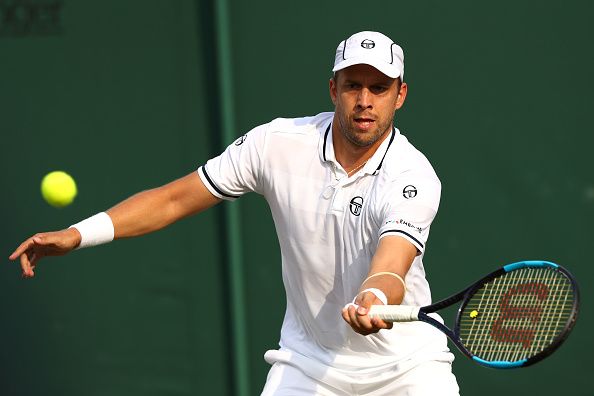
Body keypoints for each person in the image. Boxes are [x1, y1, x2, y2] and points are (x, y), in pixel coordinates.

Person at [10, 31, 459, 395]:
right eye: (353, 86)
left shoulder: (412, 176)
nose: (365, 100)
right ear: (333, 89)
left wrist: (375, 299)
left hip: (409, 370)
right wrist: (77, 233)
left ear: (399, 96)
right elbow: (173, 199)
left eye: (379, 88)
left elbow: (392, 264)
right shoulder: (276, 144)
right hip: (310, 365)